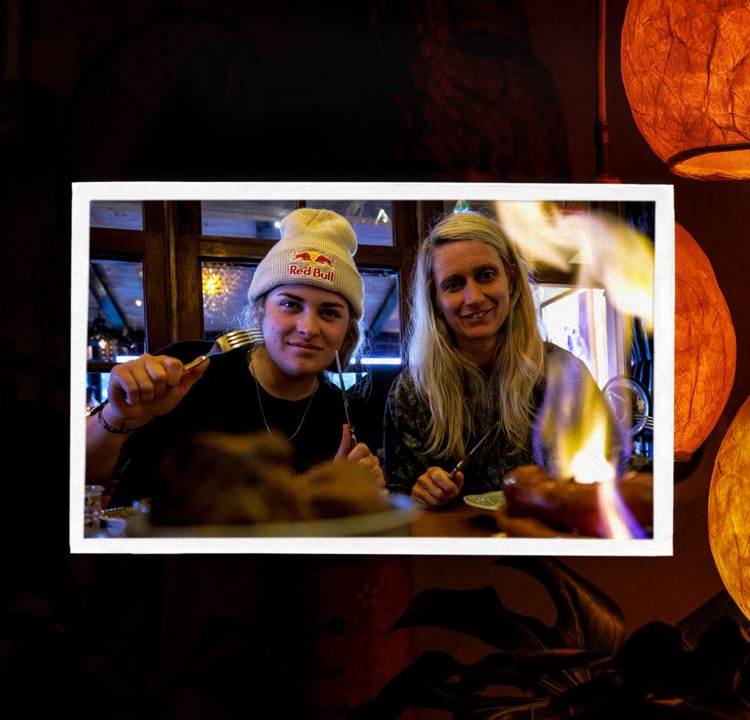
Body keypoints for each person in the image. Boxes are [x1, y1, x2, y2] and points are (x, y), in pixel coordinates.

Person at [86, 208, 384, 508]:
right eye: (291, 305)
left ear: (347, 330)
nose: (308, 328)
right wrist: (119, 417)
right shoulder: (187, 368)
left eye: (329, 312)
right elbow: (83, 474)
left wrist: (353, 493)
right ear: (260, 311)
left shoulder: (349, 416)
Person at [384, 211, 603, 508]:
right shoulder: (411, 392)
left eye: (486, 275)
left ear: (511, 279)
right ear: (435, 299)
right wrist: (419, 493)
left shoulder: (565, 374)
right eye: (453, 284)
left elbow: (611, 468)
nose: (473, 297)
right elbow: (397, 500)